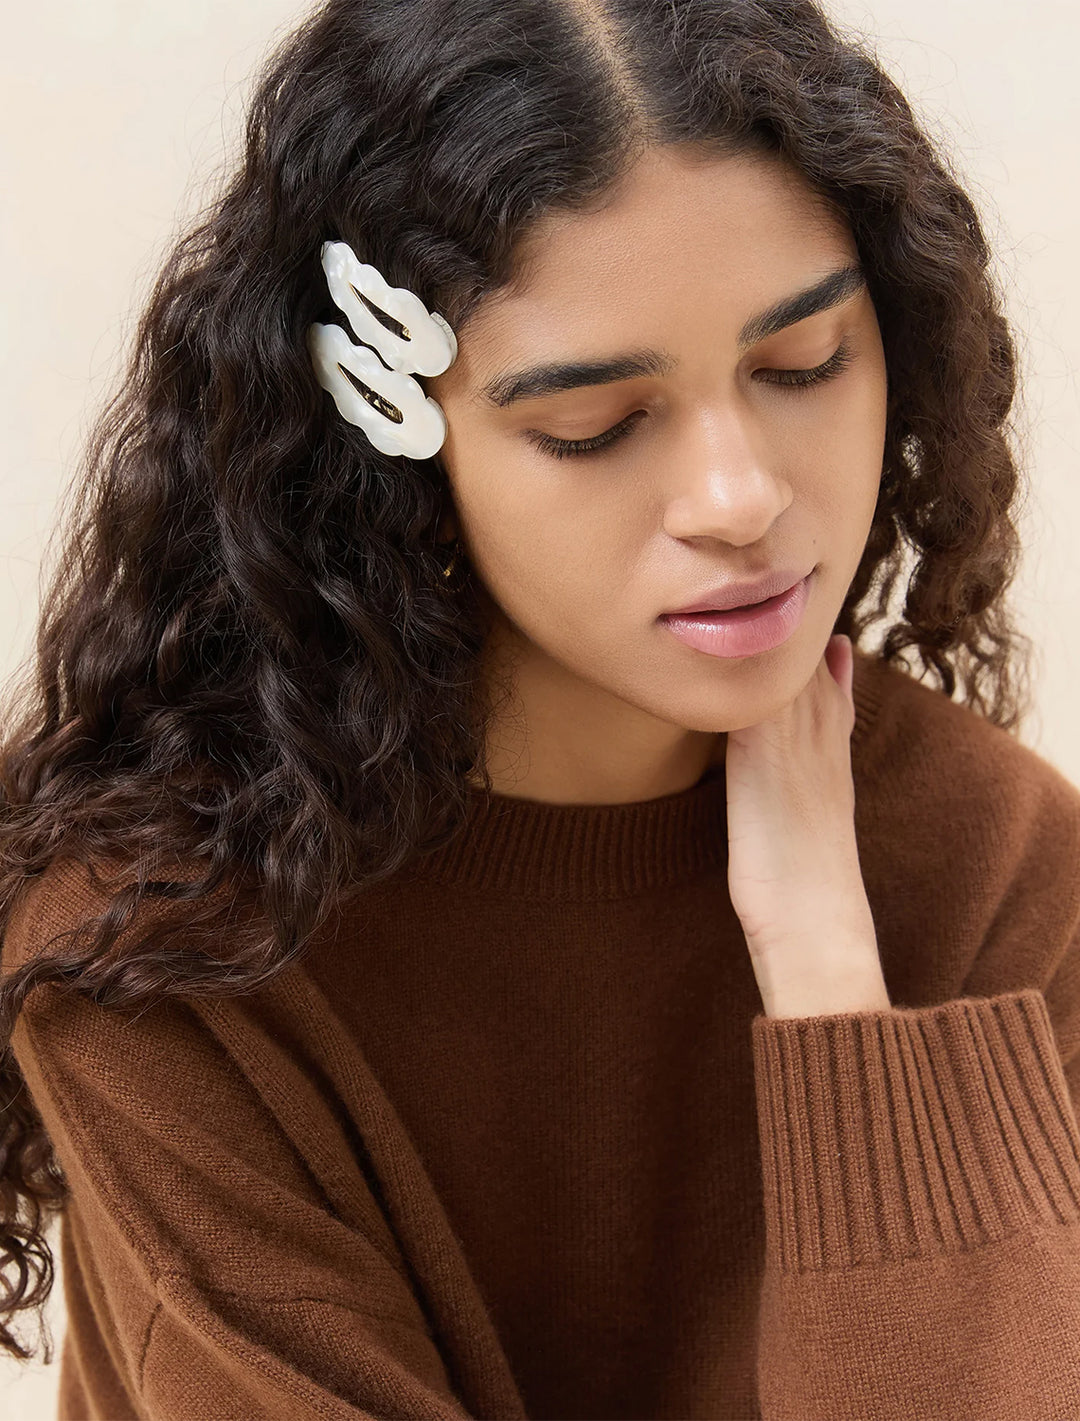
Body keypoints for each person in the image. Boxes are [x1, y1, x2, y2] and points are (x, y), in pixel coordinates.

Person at [2, 0, 1079, 1416]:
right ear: (391, 452)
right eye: (594, 425)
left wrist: (832, 981)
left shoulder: (1003, 863)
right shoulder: (170, 946)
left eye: (804, 364)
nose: (741, 497)